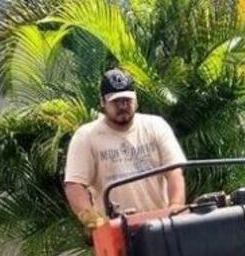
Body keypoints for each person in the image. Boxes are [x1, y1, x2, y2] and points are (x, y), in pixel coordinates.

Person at [64, 68, 187, 229]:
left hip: (161, 226)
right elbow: (74, 185)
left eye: (127, 100)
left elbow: (174, 172)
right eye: (116, 101)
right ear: (102, 102)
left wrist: (175, 207)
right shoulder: (86, 137)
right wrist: (92, 220)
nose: (122, 106)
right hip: (116, 231)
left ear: (136, 101)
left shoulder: (156, 126)